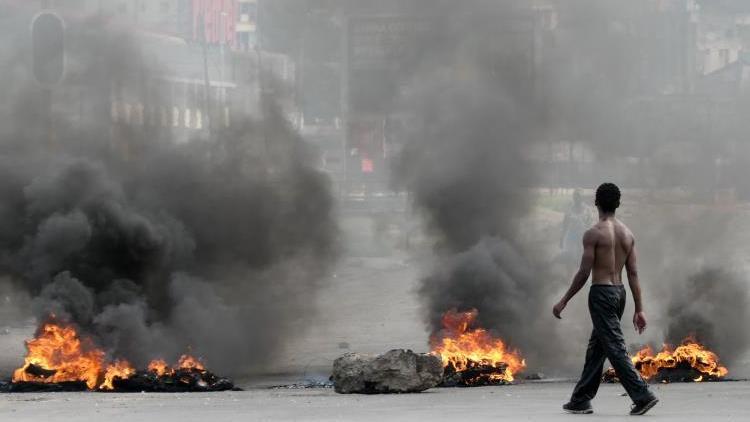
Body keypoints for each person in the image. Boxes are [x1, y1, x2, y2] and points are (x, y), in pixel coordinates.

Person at [552, 183, 659, 416]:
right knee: (598, 346)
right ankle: (580, 399)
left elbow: (583, 273)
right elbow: (633, 274)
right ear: (618, 204)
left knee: (614, 347)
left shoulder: (593, 233)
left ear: (596, 203)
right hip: (619, 294)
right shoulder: (628, 235)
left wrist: (564, 300)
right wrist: (639, 309)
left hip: (601, 293)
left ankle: (642, 396)